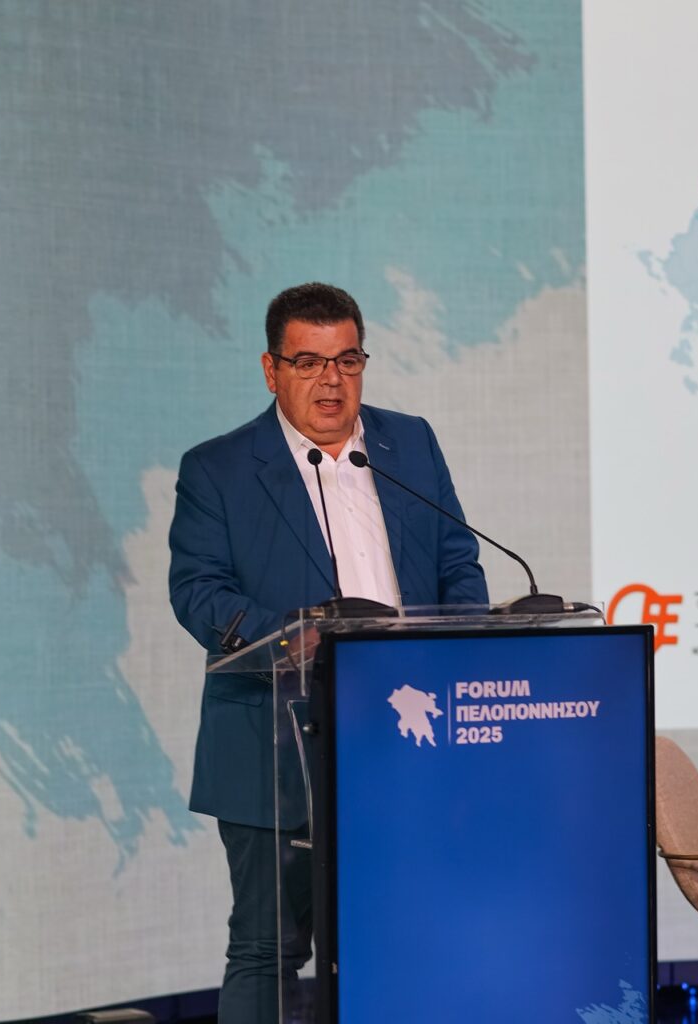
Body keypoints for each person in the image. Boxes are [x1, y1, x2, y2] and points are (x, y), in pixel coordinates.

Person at [168, 282, 488, 1023]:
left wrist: (461, 644)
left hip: (402, 739)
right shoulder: (218, 468)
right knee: (269, 949)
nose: (331, 380)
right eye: (308, 362)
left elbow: (457, 561)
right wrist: (294, 637)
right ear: (271, 369)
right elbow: (198, 591)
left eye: (347, 360)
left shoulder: (409, 443)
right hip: (274, 744)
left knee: (401, 936)